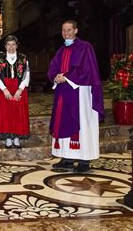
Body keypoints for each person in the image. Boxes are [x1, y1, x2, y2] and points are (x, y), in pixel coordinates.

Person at [48, 20, 105, 173]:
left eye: (69, 30)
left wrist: (66, 77)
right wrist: (56, 76)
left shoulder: (85, 47)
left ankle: (84, 160)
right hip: (63, 93)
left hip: (81, 92)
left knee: (82, 123)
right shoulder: (61, 50)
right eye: (63, 30)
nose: (66, 33)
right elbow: (53, 66)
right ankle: (66, 158)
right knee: (63, 122)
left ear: (76, 30)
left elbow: (88, 70)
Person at [0, 35, 30, 148]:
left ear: (17, 45)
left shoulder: (23, 58)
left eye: (13, 44)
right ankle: (8, 138)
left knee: (18, 113)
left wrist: (20, 89)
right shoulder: (0, 59)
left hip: (19, 88)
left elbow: (26, 74)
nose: (11, 47)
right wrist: (4, 89)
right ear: (5, 46)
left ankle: (17, 137)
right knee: (6, 113)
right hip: (5, 88)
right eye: (8, 45)